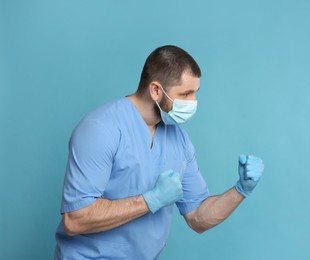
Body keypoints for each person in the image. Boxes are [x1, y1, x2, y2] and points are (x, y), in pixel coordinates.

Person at [54, 45, 265, 259]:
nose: (193, 102)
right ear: (156, 90)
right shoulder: (100, 129)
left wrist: (240, 189)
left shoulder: (179, 139)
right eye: (185, 93)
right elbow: (74, 219)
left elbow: (198, 217)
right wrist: (150, 200)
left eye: (195, 93)